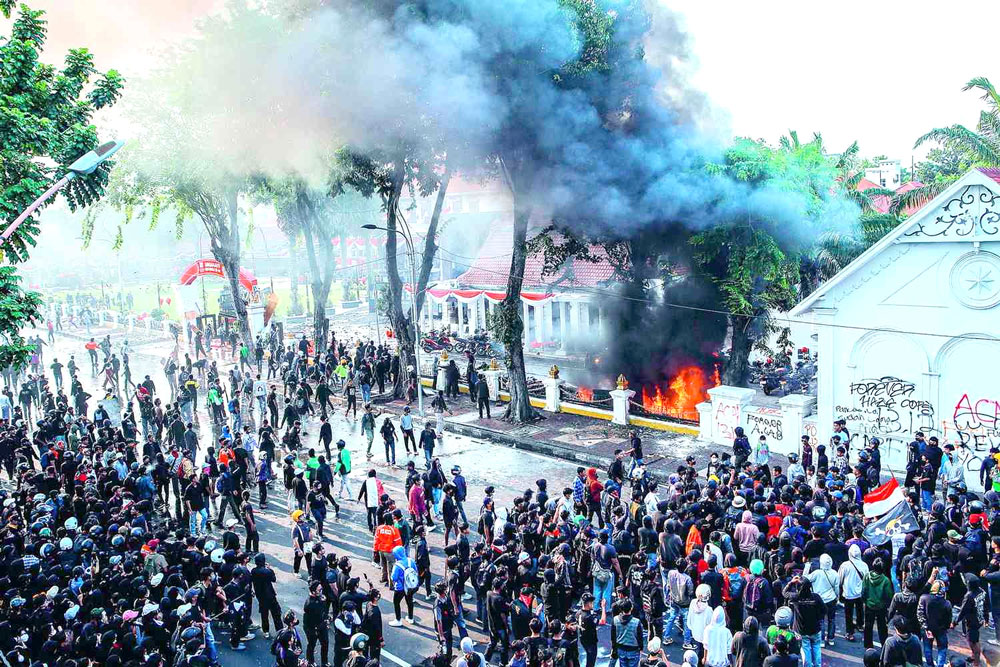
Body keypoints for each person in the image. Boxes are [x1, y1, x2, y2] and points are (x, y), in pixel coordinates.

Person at [389, 545, 418, 626]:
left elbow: (394, 578)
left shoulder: (397, 565)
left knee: (396, 602)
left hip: (400, 588)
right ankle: (410, 618)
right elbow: (416, 570)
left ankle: (398, 620)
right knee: (409, 601)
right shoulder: (410, 560)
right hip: (410, 586)